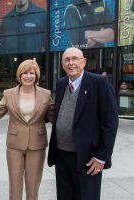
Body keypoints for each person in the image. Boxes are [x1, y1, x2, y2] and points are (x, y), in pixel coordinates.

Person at [47, 47, 118, 200]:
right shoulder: (61, 83)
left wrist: (101, 157)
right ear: (62, 64)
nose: (71, 63)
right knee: (64, 196)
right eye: (67, 59)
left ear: (84, 62)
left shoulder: (99, 83)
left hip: (88, 158)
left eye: (75, 58)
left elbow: (110, 123)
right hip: (61, 155)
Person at [0, 59, 52, 200]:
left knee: (33, 187)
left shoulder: (46, 94)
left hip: (37, 144)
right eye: (25, 73)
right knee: (15, 186)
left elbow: (53, 117)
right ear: (19, 75)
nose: (28, 76)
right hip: (15, 145)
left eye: (32, 73)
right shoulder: (9, 93)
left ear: (36, 75)